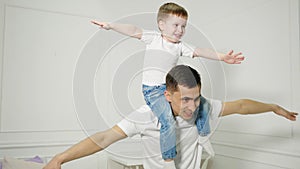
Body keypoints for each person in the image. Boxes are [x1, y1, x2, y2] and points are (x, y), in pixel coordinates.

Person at [43, 65, 297, 169]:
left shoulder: (204, 108)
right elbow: (104, 137)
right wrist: (60, 158)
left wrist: (273, 107)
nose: (192, 105)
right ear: (167, 95)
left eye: (196, 97)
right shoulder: (146, 116)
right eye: (185, 99)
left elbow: (241, 106)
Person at [91, 2, 245, 166]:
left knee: (204, 104)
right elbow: (134, 30)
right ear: (162, 25)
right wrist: (110, 26)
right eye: (176, 25)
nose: (180, 30)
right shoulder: (154, 39)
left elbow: (200, 51)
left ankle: (203, 136)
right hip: (153, 91)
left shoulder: (179, 47)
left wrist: (222, 57)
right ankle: (168, 159)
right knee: (168, 121)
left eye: (184, 26)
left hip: (169, 89)